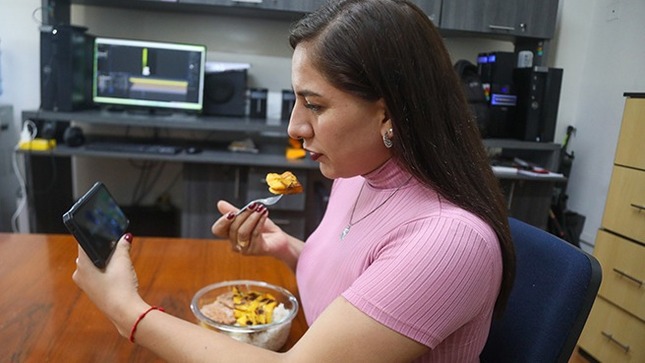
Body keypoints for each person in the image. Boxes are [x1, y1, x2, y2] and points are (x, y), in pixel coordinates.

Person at [73, 0, 516, 361]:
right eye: (296, 100)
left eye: (315, 106)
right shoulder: (360, 174)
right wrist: (283, 247)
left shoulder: (448, 240)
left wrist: (126, 311)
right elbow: (362, 284)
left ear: (389, 114)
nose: (294, 127)